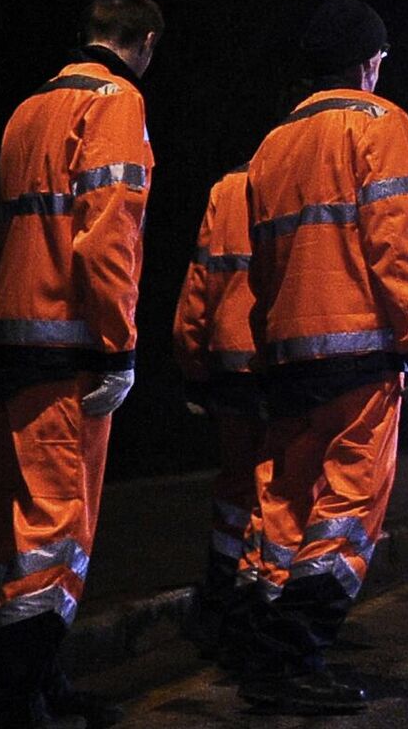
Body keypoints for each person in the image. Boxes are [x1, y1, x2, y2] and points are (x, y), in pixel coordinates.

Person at [233, 0, 408, 715]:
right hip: (360, 353)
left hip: (288, 355)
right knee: (349, 505)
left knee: (285, 501)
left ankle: (261, 646)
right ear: (369, 61)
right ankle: (297, 652)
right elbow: (395, 244)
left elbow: (258, 262)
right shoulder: (380, 125)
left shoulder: (273, 142)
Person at [0, 0, 160, 729]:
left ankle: (37, 684)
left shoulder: (27, 110)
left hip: (13, 341)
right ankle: (19, 702)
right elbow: (107, 233)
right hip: (70, 351)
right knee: (58, 532)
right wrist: (118, 347)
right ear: (144, 42)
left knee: (20, 530)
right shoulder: (115, 103)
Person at [171, 163, 264, 654]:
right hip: (284, 365)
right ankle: (253, 610)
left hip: (229, 366)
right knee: (276, 494)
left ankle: (218, 598)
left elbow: (200, 281)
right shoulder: (307, 176)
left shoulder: (226, 190)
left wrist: (192, 363)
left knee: (234, 487)